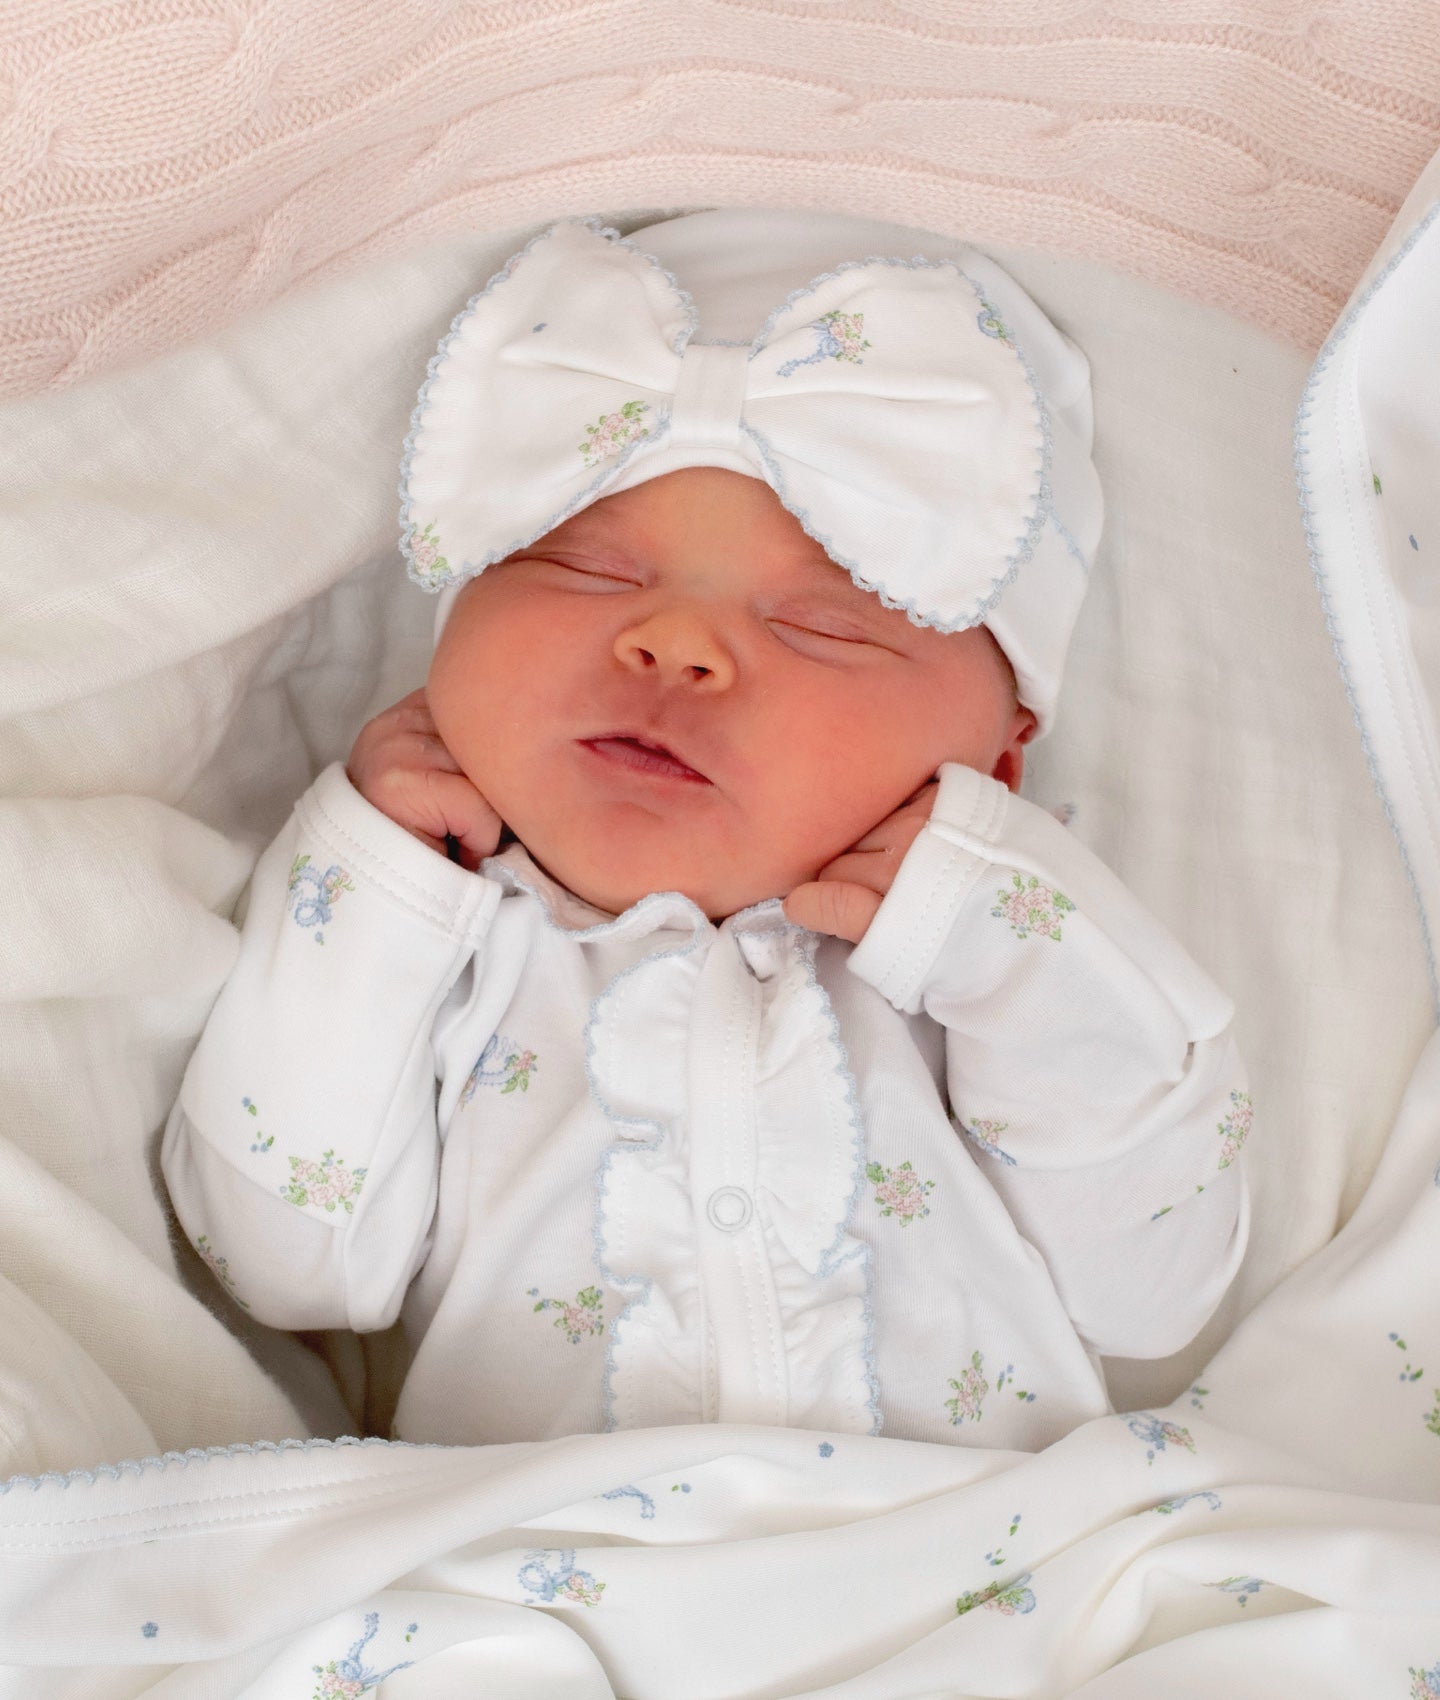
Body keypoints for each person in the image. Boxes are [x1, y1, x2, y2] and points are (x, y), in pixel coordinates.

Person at [161, 211, 1251, 1448]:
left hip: (971, 1582)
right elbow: (283, 1262)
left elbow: (1154, 1290)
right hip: (526, 1588)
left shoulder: (978, 969)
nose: (675, 642)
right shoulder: (463, 945)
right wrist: (365, 885)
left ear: (997, 757)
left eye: (825, 625)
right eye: (584, 569)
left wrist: (1014, 934)